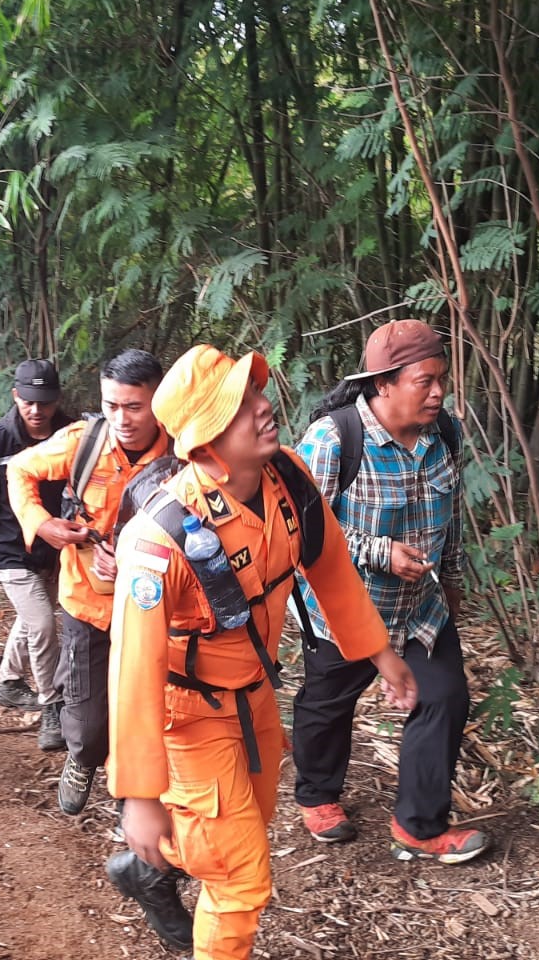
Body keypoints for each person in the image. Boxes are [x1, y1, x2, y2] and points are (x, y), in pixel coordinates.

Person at [105, 344, 417, 959]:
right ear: (205, 438)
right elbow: (131, 672)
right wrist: (139, 797)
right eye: (241, 404)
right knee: (240, 880)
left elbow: (329, 565)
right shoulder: (160, 540)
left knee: (242, 826)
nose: (264, 407)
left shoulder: (288, 480)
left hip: (255, 697)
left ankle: (152, 866)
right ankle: (169, 865)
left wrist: (381, 654)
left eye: (256, 393)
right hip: (187, 720)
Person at [290, 319, 488, 862]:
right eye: (424, 381)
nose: (438, 391)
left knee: (445, 697)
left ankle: (419, 827)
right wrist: (380, 551)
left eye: (441, 379)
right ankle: (317, 794)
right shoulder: (334, 440)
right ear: (383, 383)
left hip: (420, 608)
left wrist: (450, 580)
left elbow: (449, 518)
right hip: (343, 611)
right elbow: (302, 528)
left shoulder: (442, 434)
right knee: (328, 703)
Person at [6, 349, 170, 814]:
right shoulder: (85, 441)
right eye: (112, 405)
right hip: (86, 602)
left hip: (153, 605)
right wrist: (41, 523)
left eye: (134, 407)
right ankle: (81, 758)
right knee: (87, 709)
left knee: (144, 706)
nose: (122, 418)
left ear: (159, 400)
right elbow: (20, 469)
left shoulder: (182, 454)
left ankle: (133, 791)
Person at [0, 359, 72, 747]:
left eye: (44, 401)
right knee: (44, 625)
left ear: (56, 399)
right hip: (9, 550)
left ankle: (9, 681)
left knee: (34, 620)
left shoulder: (70, 433)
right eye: (28, 400)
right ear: (15, 396)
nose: (36, 410)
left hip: (55, 549)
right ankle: (52, 706)